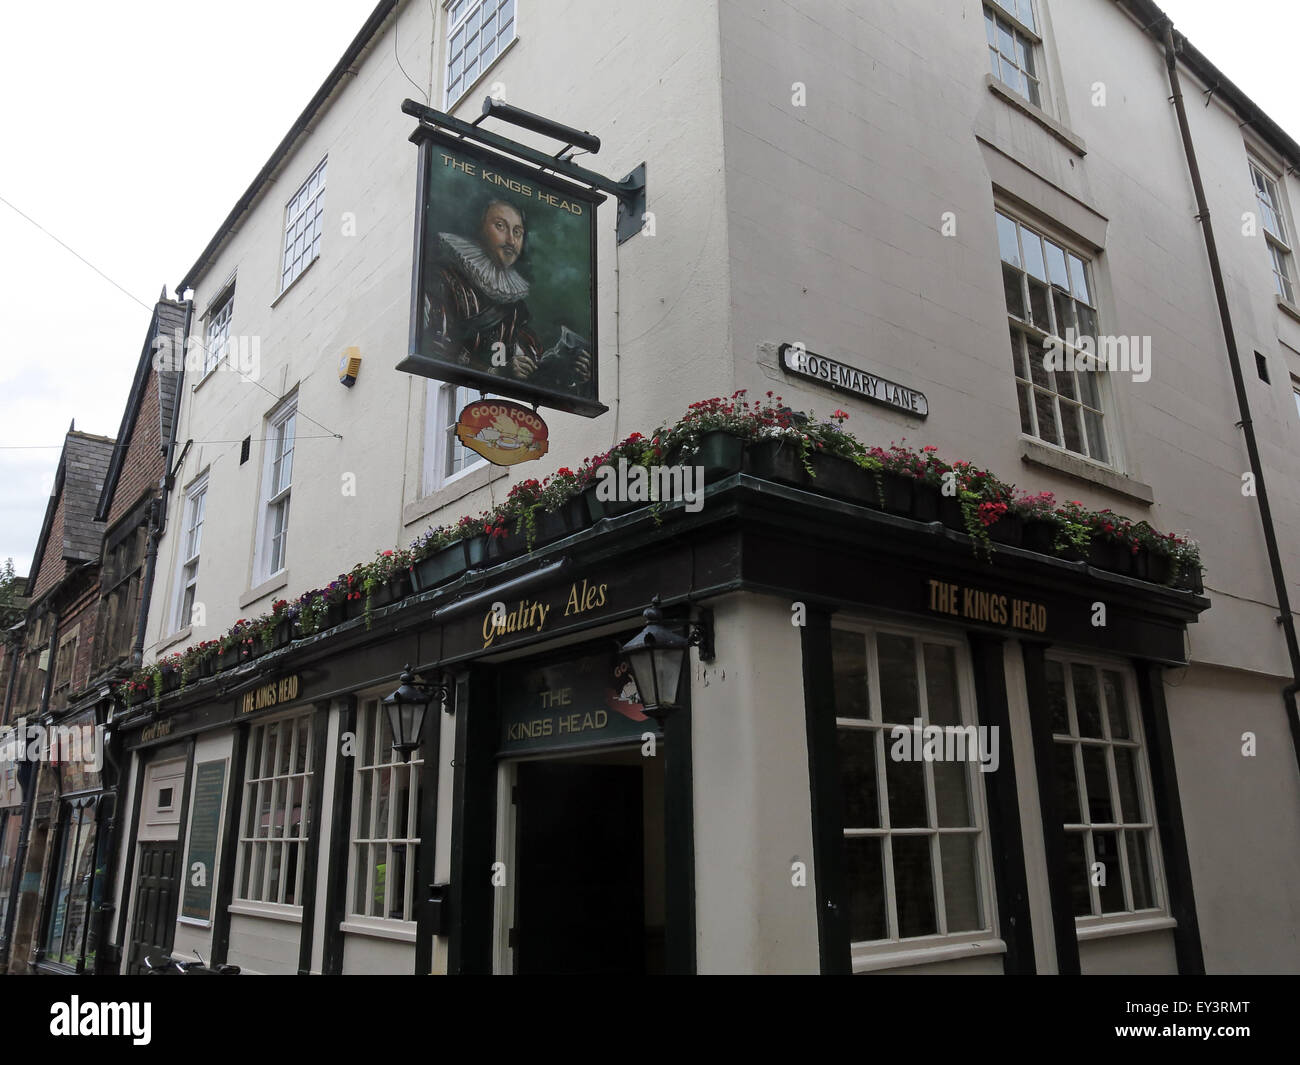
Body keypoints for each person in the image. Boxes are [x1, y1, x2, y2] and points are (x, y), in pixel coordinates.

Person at [422, 199, 592, 391]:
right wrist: (494, 372)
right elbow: (435, 347)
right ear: (479, 228)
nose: (511, 240)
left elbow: (530, 365)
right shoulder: (442, 280)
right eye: (500, 226)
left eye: (517, 232)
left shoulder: (516, 306)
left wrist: (571, 373)